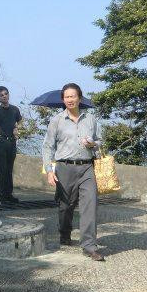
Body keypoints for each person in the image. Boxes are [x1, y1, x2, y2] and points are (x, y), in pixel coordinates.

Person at [42, 83, 105, 261]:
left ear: (79, 97)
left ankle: (89, 246)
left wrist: (93, 144)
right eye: (67, 97)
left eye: (73, 96)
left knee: (90, 205)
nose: (70, 99)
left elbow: (100, 140)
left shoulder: (90, 119)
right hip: (64, 167)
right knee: (65, 206)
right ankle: (64, 233)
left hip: (87, 167)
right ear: (63, 99)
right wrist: (49, 170)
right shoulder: (57, 121)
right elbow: (48, 147)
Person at [0, 85, 22, 202]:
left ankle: (9, 194)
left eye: (6, 94)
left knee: (9, 169)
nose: (4, 96)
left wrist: (16, 128)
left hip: (12, 142)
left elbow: (19, 121)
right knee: (2, 169)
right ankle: (1, 195)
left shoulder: (15, 109)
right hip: (0, 142)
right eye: (1, 95)